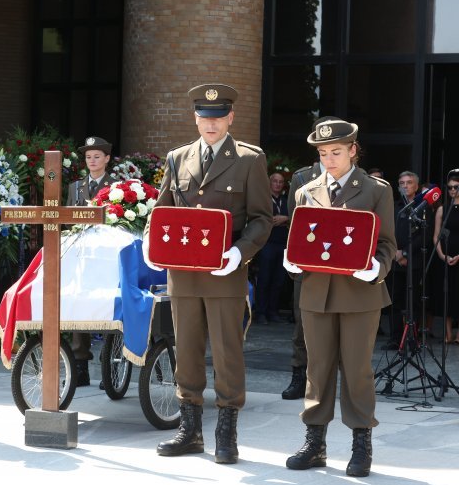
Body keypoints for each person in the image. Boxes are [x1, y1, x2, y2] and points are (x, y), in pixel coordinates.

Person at [145, 83, 272, 464]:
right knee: (186, 350)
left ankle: (226, 432)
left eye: (218, 117)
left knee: (227, 352)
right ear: (195, 118)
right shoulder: (178, 157)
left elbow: (263, 219)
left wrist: (240, 251)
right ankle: (190, 431)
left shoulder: (250, 159)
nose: (211, 124)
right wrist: (153, 244)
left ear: (230, 117)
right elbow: (160, 210)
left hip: (224, 273)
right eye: (204, 117)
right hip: (183, 274)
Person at [283, 118, 395, 478]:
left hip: (360, 294)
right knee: (317, 371)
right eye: (322, 153)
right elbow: (301, 239)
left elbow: (388, 245)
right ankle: (315, 442)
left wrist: (376, 267)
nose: (328, 160)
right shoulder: (304, 191)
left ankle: (361, 443)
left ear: (352, 151)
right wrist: (291, 260)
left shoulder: (377, 190)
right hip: (316, 293)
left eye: (335, 152)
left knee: (357, 371)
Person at [281, 115, 343, 400]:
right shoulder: (302, 178)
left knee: (339, 322)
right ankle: (299, 375)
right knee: (302, 322)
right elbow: (295, 222)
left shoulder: (355, 177)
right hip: (308, 263)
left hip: (340, 262)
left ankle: (332, 378)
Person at [65, 135, 118, 387]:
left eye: (97, 156)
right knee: (80, 304)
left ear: (107, 159)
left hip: (107, 256)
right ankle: (80, 365)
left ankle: (111, 367)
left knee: (109, 306)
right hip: (83, 256)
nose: (92, 161)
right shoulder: (75, 187)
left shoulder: (118, 186)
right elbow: (67, 220)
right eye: (88, 157)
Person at [383, 171, 428, 350]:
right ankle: (395, 338)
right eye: (402, 183)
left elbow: (424, 235)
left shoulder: (423, 207)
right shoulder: (394, 207)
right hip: (395, 261)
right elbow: (387, 231)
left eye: (409, 183)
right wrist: (396, 252)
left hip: (414, 262)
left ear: (416, 186)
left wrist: (406, 254)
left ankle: (412, 339)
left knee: (413, 302)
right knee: (395, 301)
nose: (405, 186)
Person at [253, 171, 290, 325]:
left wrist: (286, 218)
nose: (277, 184)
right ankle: (261, 313)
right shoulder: (263, 200)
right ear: (269, 183)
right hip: (267, 244)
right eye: (275, 181)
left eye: (280, 182)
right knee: (264, 279)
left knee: (278, 280)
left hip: (282, 244)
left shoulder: (286, 201)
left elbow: (294, 217)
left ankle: (273, 312)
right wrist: (276, 220)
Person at [433, 169, 459, 343]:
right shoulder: (443, 209)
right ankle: (448, 333)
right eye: (449, 188)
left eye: (456, 187)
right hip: (446, 257)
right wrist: (442, 255)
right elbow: (436, 235)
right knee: (447, 294)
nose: (452, 191)